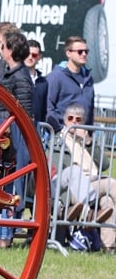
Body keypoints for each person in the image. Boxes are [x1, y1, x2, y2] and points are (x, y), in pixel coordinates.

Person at [0, 30, 33, 248]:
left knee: (11, 186)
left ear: (10, 50)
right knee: (2, 183)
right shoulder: (10, 73)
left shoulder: (21, 78)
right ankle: (0, 237)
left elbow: (24, 113)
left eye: (3, 47)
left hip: (15, 138)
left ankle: (5, 238)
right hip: (5, 135)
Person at [51, 103, 115, 253]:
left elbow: (105, 164)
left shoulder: (86, 142)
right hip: (74, 187)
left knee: (108, 202)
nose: (74, 123)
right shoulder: (58, 142)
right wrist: (64, 200)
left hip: (94, 182)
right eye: (70, 119)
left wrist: (88, 141)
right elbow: (58, 173)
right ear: (64, 120)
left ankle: (109, 248)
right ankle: (90, 214)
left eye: (78, 120)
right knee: (113, 185)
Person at [46, 35, 94, 131]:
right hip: (61, 136)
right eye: (80, 52)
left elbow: (90, 109)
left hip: (82, 136)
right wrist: (61, 130)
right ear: (68, 53)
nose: (84, 54)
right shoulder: (56, 76)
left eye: (86, 51)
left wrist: (89, 135)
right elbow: (48, 108)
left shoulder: (88, 78)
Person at [25, 39, 48, 127]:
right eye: (27, 54)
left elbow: (44, 110)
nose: (30, 57)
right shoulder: (14, 77)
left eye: (34, 55)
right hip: (17, 127)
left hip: (36, 130)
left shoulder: (43, 82)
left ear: (39, 57)